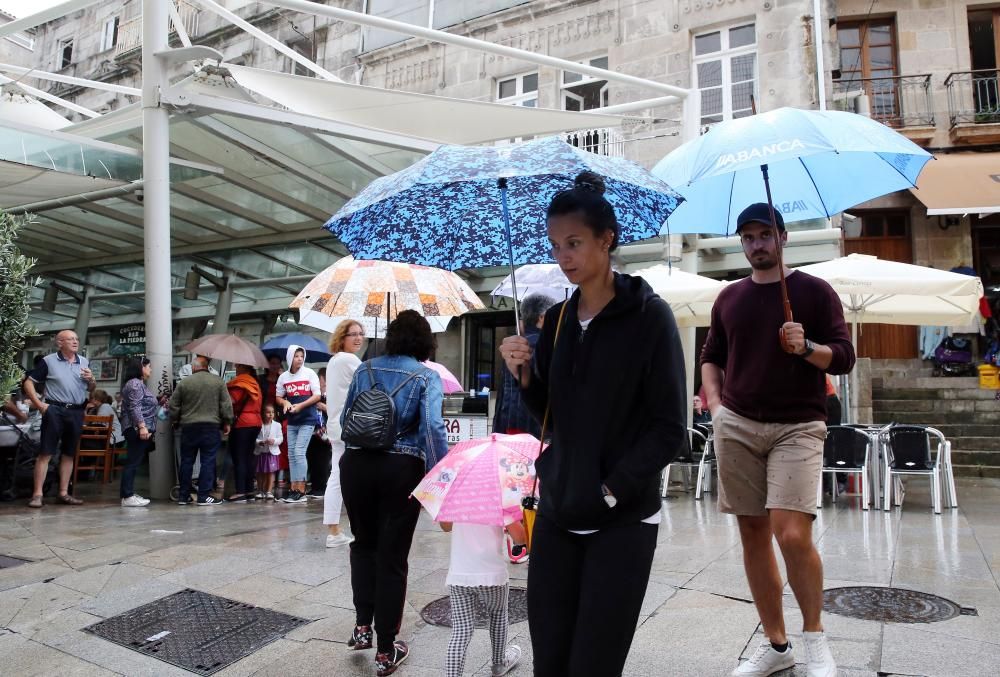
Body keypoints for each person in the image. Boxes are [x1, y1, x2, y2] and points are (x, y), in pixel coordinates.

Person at [499, 172, 687, 677]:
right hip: (559, 510)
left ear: (607, 240)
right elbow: (552, 418)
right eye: (557, 245)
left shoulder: (650, 317)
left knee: (594, 664)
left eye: (575, 243)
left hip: (620, 518)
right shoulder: (557, 320)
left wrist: (611, 489)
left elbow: (672, 427)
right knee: (551, 660)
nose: (564, 256)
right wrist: (524, 377)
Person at [700, 203, 855, 677]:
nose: (756, 245)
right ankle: (777, 645)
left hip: (798, 425)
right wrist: (718, 407)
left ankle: (816, 640)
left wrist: (806, 347)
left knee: (790, 532)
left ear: (783, 238)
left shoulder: (814, 291)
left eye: (765, 234)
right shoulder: (729, 297)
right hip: (739, 425)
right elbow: (711, 357)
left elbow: (844, 358)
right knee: (752, 535)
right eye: (747, 237)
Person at [340, 310, 449, 677]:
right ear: (424, 342)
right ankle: (387, 650)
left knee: (362, 545)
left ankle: (360, 628)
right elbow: (433, 428)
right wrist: (439, 475)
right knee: (392, 557)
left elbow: (345, 421)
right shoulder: (425, 376)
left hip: (356, 466)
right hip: (400, 470)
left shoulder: (364, 369)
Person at [493, 293, 556, 564]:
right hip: (540, 431)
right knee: (539, 488)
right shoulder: (550, 346)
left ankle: (517, 544)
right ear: (543, 317)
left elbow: (506, 395)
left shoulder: (515, 347)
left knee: (513, 488)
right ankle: (538, 539)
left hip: (510, 429)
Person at [23, 330, 96, 508]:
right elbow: (28, 382)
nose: (75, 342)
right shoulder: (48, 361)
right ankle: (37, 495)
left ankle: (63, 493)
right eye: (70, 339)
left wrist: (92, 380)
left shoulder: (84, 361)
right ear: (59, 343)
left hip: (77, 411)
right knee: (46, 452)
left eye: (77, 339)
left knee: (69, 453)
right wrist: (40, 405)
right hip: (55, 409)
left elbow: (91, 389)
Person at [440, 520, 521, 677]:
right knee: (498, 614)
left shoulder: (455, 496)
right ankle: (498, 663)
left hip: (460, 576)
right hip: (492, 576)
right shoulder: (498, 496)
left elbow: (445, 526)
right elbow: (520, 538)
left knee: (460, 631)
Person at [169, 355, 233, 506]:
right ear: (207, 367)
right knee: (208, 461)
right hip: (210, 427)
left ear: (194, 367)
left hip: (189, 427)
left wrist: (176, 420)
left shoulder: (184, 383)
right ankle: (203, 496)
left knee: (187, 461)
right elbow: (226, 405)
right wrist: (227, 421)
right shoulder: (218, 382)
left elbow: (173, 405)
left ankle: (184, 496)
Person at [323, 319, 364, 548]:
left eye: (360, 333)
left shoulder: (334, 361)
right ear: (342, 338)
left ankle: (334, 530)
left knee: (337, 477)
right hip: (350, 429)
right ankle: (340, 529)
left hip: (337, 427)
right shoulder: (349, 360)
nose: (358, 338)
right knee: (345, 479)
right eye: (352, 334)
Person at [275, 345, 321, 504]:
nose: (300, 359)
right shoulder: (284, 377)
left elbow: (317, 396)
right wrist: (285, 402)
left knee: (299, 452)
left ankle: (301, 490)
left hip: (307, 419)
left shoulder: (309, 373)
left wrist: (301, 406)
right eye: (296, 356)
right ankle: (294, 488)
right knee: (291, 454)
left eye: (302, 356)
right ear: (289, 358)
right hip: (292, 420)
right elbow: (278, 396)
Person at [119, 358, 160, 507]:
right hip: (136, 428)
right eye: (148, 366)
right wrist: (142, 427)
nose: (150, 369)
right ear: (140, 367)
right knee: (133, 462)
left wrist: (159, 401)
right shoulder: (135, 384)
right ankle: (127, 496)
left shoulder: (137, 384)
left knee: (134, 461)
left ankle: (127, 494)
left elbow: (142, 404)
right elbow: (135, 407)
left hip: (137, 427)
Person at [226, 365, 263, 502]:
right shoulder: (255, 383)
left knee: (239, 458)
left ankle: (240, 492)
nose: (236, 368)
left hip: (242, 424)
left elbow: (231, 401)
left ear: (244, 368)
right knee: (248, 457)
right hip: (256, 423)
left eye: (238, 366)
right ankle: (249, 491)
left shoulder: (241, 382)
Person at [305, 367, 331, 499]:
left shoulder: (331, 395)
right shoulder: (315, 395)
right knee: (312, 458)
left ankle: (321, 487)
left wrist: (323, 406)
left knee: (322, 460)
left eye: (321, 380)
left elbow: (337, 411)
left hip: (325, 432)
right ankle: (315, 486)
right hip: (313, 431)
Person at [255, 404, 282, 500]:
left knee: (270, 472)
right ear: (263, 413)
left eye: (272, 412)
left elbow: (280, 438)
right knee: (260, 472)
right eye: (268, 412)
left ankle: (269, 491)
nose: (271, 414)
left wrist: (274, 441)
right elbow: (255, 438)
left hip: (272, 453)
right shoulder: (259, 424)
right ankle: (260, 490)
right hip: (261, 452)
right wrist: (259, 442)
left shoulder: (277, 425)